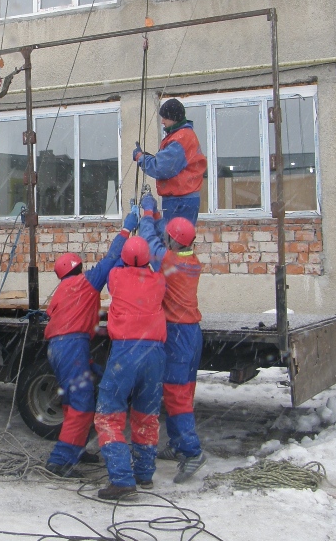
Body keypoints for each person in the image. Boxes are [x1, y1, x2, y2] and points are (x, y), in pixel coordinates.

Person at [43, 211, 137, 478]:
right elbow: (110, 260)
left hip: (60, 348)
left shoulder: (62, 290)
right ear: (78, 268)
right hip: (72, 347)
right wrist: (126, 230)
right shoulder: (85, 283)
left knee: (74, 400)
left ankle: (76, 448)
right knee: (82, 404)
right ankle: (60, 461)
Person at [140, 194, 208, 482]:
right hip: (193, 333)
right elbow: (162, 241)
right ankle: (179, 444)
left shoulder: (168, 261)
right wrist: (158, 218)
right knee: (186, 392)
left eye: (168, 237)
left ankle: (192, 452)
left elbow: (149, 242)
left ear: (173, 242)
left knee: (176, 395)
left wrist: (145, 214)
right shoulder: (189, 260)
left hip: (178, 334)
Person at [94, 234, 167, 500]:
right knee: (146, 415)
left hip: (126, 351)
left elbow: (112, 264)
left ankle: (122, 480)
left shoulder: (116, 278)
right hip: (155, 353)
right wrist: (150, 223)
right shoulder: (159, 281)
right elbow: (156, 263)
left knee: (109, 415)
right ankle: (144, 473)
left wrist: (125, 232)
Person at [132, 98, 207, 225]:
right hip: (183, 198)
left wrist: (141, 158)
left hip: (180, 201)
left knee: (174, 241)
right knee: (178, 240)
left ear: (173, 118)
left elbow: (161, 168)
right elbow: (168, 163)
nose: (162, 122)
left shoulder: (179, 139)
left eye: (165, 118)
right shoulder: (183, 135)